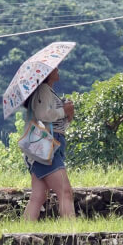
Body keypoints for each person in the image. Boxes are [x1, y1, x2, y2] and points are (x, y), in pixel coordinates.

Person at [22, 67, 76, 221]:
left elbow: (53, 121)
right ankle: (70, 233)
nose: (58, 69)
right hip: (47, 148)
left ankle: (24, 232)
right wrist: (64, 111)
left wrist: (67, 114)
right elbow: (42, 114)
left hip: (49, 146)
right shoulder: (43, 89)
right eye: (55, 68)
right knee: (65, 191)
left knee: (39, 196)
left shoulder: (47, 91)